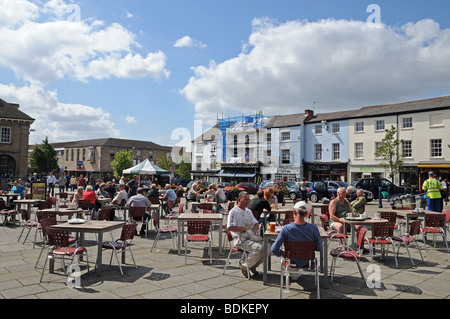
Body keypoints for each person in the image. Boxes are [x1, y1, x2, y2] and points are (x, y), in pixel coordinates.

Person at [271, 201, 322, 280]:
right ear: (306, 214)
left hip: (291, 260)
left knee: (290, 261)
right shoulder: (313, 228)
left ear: (294, 211)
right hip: (308, 261)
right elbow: (319, 248)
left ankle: (293, 272)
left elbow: (274, 249)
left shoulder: (286, 229)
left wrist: (283, 253)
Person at [227, 191, 264, 278]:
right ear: (239, 199)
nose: (247, 201)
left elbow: (256, 222)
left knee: (268, 248)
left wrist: (255, 228)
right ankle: (244, 265)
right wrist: (244, 229)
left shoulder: (248, 211)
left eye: (248, 200)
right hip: (239, 240)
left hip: (250, 237)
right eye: (245, 199)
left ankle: (253, 266)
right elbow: (230, 227)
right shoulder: (233, 211)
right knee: (259, 248)